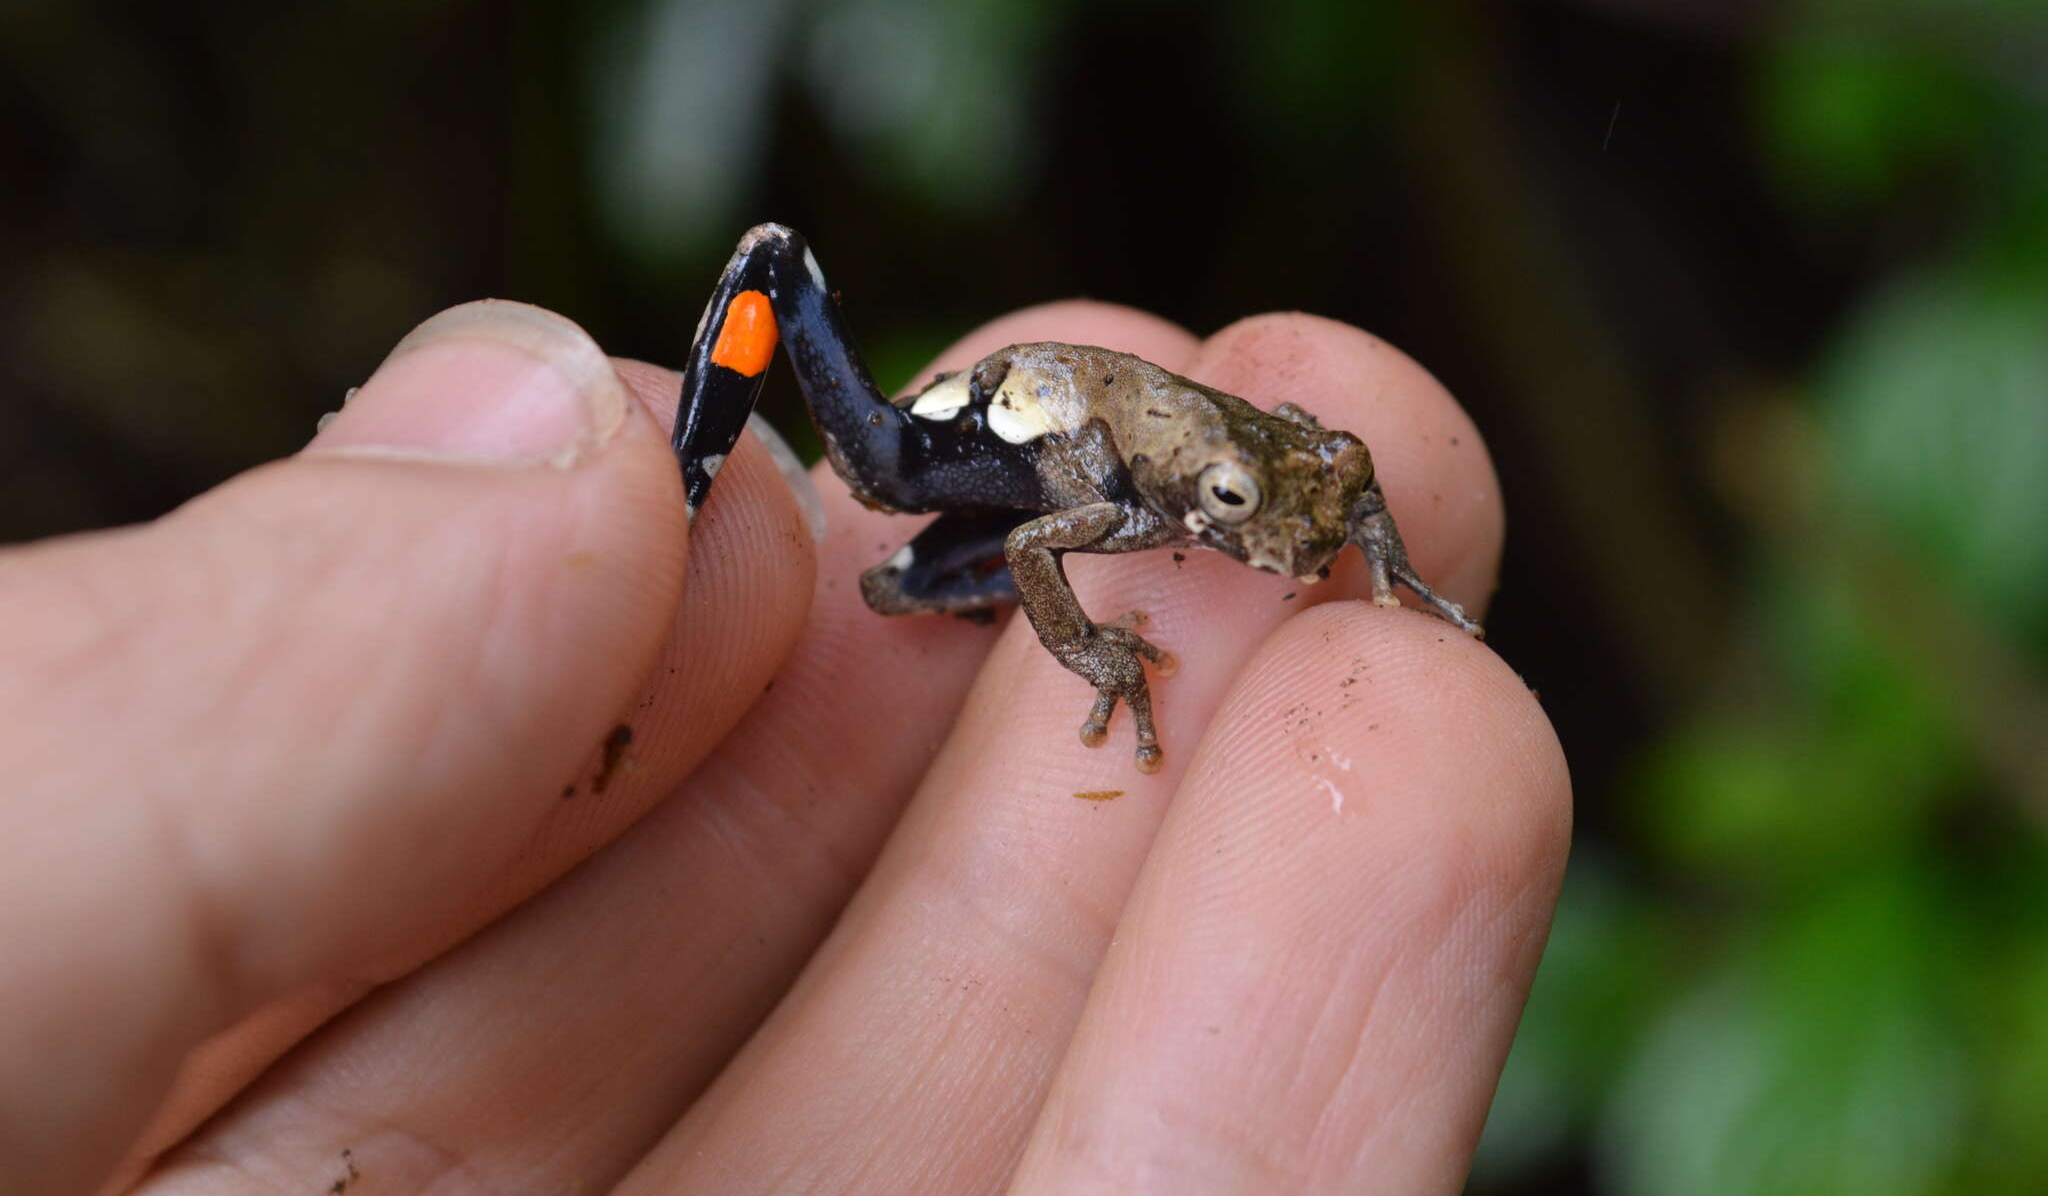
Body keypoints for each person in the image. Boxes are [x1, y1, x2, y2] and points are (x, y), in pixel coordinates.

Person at [1, 297, 1568, 1195]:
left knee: (899, 593)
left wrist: (1385, 556)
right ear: (1187, 500)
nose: (1276, 533)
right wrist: (1097, 645)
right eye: (1237, 520)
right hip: (978, 437)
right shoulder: (1125, 499)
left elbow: (1336, 462)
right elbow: (1041, 557)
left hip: (1085, 449)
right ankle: (696, 451)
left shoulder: (1271, 468)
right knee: (884, 517)